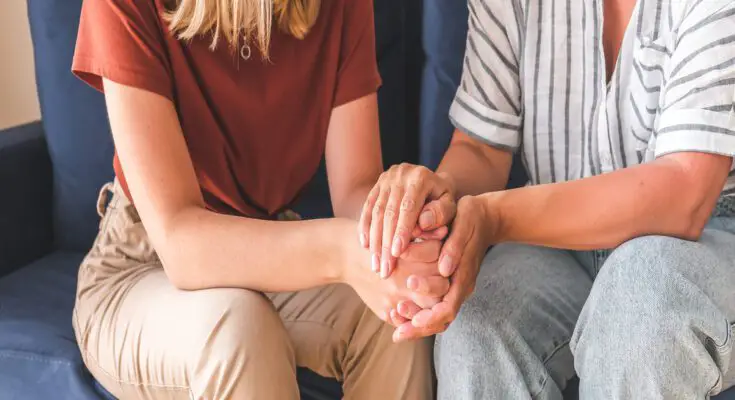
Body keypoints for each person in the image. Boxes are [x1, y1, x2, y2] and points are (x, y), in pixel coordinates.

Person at [70, 0, 444, 398]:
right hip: (142, 262)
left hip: (268, 243)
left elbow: (355, 190)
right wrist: (342, 251)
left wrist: (400, 233)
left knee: (398, 313)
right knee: (240, 329)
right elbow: (180, 243)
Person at [361, 0, 735, 398]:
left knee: (641, 299)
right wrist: (439, 202)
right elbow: (483, 149)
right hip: (555, 236)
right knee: (479, 320)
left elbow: (683, 197)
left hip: (710, 235)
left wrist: (494, 217)